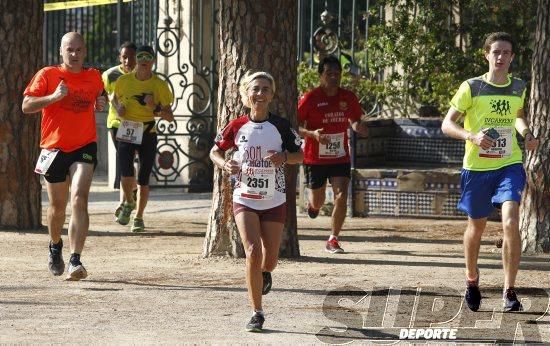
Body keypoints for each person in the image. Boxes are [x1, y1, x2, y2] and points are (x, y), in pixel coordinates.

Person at [441, 32, 539, 312]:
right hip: (477, 168)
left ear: (512, 57)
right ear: (486, 55)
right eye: (496, 52)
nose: (501, 57)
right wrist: (471, 136)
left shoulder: (518, 86)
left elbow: (517, 117)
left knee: (510, 220)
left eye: (506, 53)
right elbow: (447, 125)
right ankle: (472, 281)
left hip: (509, 163)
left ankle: (509, 291)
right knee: (477, 226)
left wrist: (528, 133)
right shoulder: (471, 87)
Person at [210, 71, 303, 332]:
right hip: (245, 197)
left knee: (270, 258)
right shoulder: (237, 125)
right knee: (252, 250)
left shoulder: (281, 126)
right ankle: (257, 312)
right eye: (255, 89)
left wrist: (284, 157)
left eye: (265, 89)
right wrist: (224, 163)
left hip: (274, 198)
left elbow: (301, 155)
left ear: (272, 95)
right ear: (246, 94)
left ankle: (265, 273)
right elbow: (215, 150)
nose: (259, 93)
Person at [22, 32, 106, 281]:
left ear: (85, 51)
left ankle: (75, 259)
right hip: (54, 148)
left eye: (79, 50)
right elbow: (26, 106)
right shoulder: (47, 74)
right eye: (70, 49)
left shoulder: (93, 76)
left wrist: (100, 104)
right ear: (61, 51)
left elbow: (100, 96)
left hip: (84, 145)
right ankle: (55, 245)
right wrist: (54, 97)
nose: (74, 54)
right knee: (57, 208)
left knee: (79, 198)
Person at [298, 55, 368, 254]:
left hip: (340, 156)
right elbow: (293, 125)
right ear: (321, 76)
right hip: (315, 157)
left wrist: (359, 127)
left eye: (337, 74)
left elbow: (354, 120)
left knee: (341, 195)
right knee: (318, 202)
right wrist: (311, 134)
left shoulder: (348, 97)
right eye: (329, 74)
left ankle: (333, 239)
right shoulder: (310, 98)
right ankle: (313, 206)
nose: (334, 77)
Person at [112, 45, 174, 232]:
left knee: (143, 178)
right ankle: (129, 202)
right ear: (136, 59)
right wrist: (118, 108)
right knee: (125, 171)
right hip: (128, 128)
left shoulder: (159, 85)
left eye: (148, 57)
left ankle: (138, 217)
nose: (144, 60)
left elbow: (169, 116)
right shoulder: (123, 81)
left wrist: (154, 106)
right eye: (140, 56)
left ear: (153, 61)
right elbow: (113, 98)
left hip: (147, 130)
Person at [102, 41, 138, 219]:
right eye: (124, 57)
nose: (128, 61)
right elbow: (104, 95)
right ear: (120, 58)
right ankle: (128, 196)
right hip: (116, 124)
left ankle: (129, 196)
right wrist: (114, 104)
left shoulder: (143, 75)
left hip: (137, 124)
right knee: (126, 162)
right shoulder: (110, 75)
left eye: (131, 57)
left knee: (129, 162)